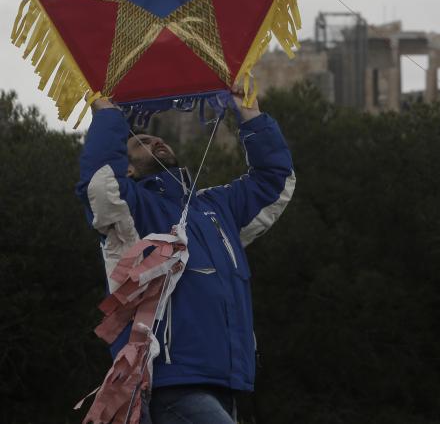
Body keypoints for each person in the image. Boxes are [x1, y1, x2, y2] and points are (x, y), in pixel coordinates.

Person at [77, 91, 295, 424]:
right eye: (142, 142)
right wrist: (108, 114)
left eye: (158, 138)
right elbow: (101, 183)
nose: (156, 141)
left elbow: (274, 182)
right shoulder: (132, 213)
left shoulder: (217, 207)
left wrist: (250, 113)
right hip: (170, 386)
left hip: (228, 385)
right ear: (128, 169)